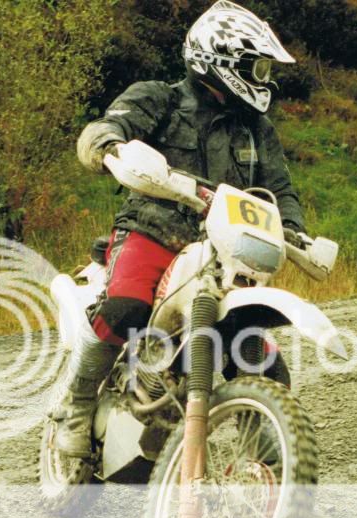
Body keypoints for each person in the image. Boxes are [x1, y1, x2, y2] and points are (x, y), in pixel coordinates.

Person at [51, 0, 306, 458]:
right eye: (257, 67)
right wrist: (110, 149)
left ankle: (271, 469)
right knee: (126, 307)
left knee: (262, 359)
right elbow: (106, 128)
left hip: (223, 251)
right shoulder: (160, 98)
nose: (264, 79)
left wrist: (294, 230)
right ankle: (76, 405)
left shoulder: (256, 128)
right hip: (153, 230)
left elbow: (279, 188)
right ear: (221, 60)